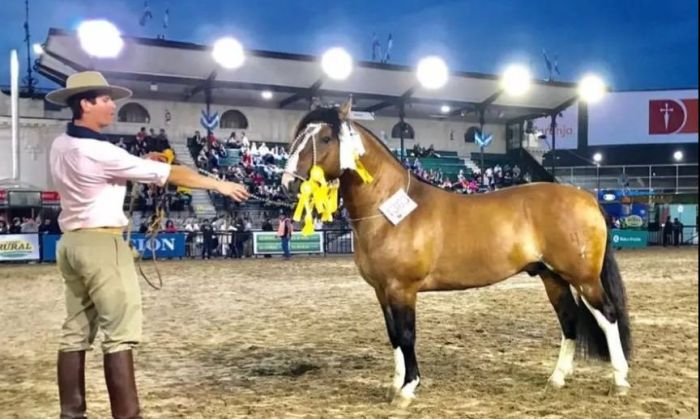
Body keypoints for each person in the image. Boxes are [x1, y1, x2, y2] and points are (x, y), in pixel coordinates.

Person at [46, 71, 249, 418]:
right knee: (120, 335)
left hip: (72, 243)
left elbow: (107, 170)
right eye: (106, 99)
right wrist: (218, 184)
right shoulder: (99, 150)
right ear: (85, 104)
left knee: (75, 333)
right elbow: (174, 176)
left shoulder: (61, 143)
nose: (113, 105)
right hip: (102, 245)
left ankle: (72, 413)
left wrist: (142, 164)